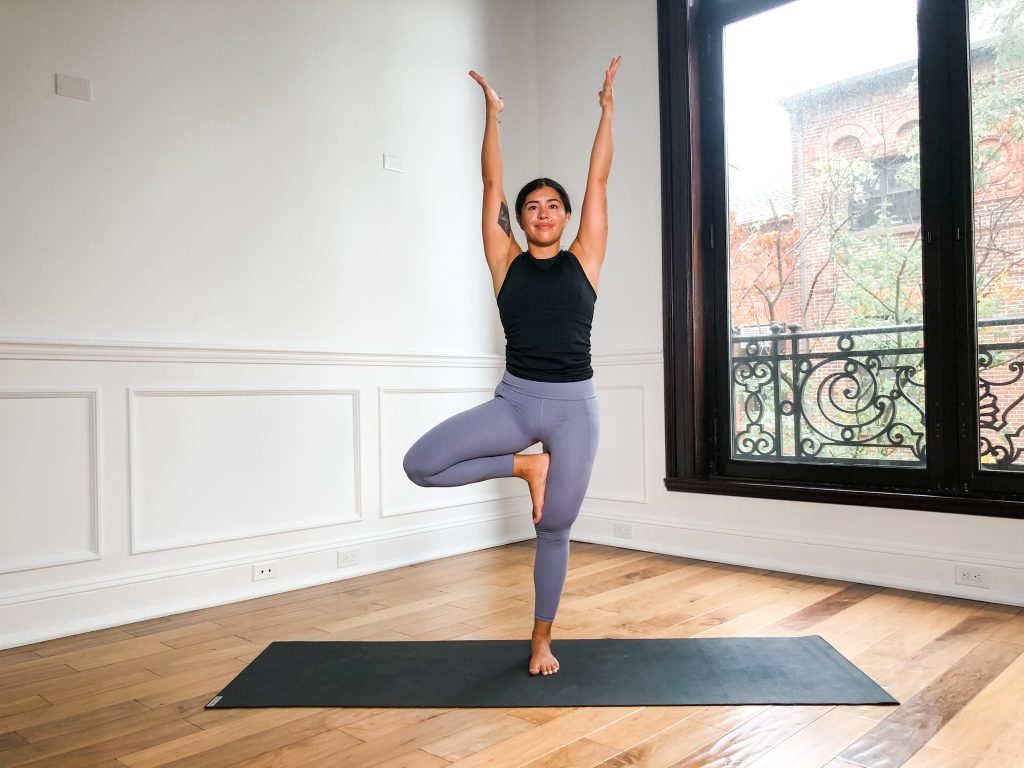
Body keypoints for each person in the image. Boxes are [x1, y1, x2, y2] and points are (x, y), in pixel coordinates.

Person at [403, 56, 622, 676]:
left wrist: (607, 113)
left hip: (576, 409)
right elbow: (490, 184)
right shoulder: (505, 261)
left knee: (556, 526)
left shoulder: (587, 256)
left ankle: (541, 639)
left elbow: (599, 179)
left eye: (554, 205)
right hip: (517, 401)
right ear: (521, 220)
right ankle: (527, 466)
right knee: (420, 466)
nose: (543, 212)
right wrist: (492, 116)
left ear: (567, 217)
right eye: (533, 207)